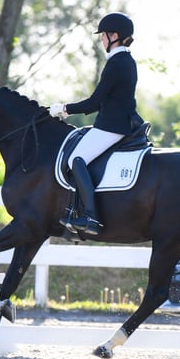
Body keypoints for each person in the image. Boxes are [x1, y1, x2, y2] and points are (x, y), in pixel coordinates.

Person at [49, 12, 140, 235]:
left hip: (112, 125)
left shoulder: (117, 63)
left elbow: (95, 101)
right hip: (114, 122)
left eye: (104, 36)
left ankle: (90, 215)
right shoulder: (125, 61)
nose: (102, 40)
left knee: (76, 159)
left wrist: (64, 109)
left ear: (115, 36)